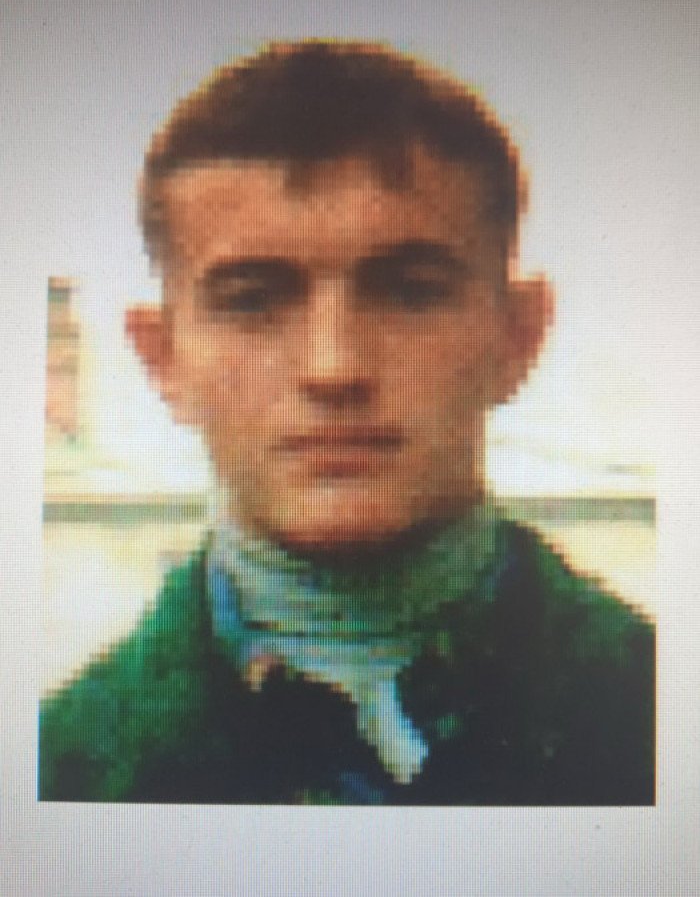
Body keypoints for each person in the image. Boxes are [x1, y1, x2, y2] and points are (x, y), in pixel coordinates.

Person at [39, 41, 654, 805]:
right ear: (163, 359)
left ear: (517, 335)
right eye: (253, 301)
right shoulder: (56, 775)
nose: (334, 367)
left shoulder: (657, 722)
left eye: (410, 291)